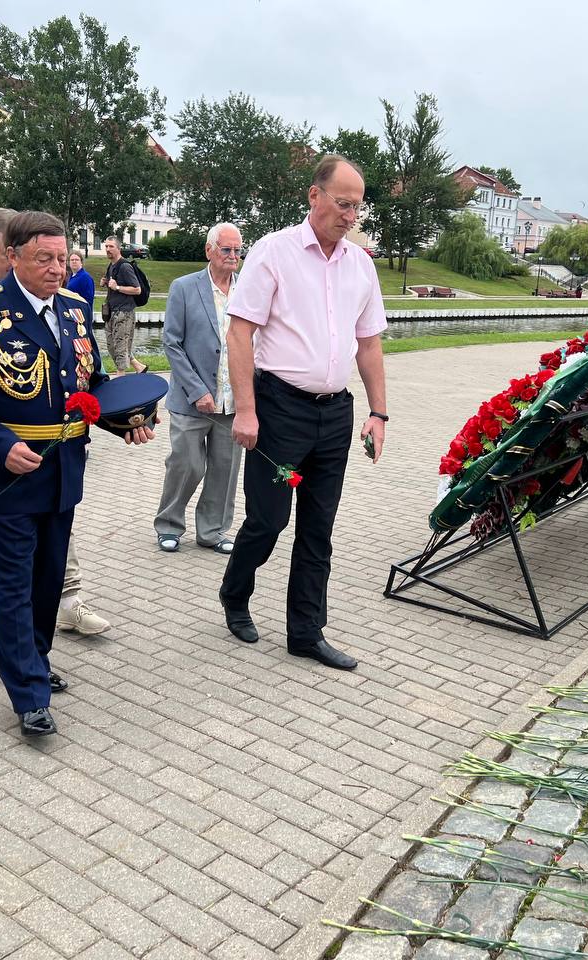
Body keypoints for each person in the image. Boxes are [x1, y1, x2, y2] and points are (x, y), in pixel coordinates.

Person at [0, 210, 153, 737]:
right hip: (8, 474)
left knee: (48, 579)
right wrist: (0, 446)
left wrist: (126, 421)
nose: (57, 269)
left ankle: (34, 659)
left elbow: (88, 385)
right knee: (12, 584)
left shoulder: (75, 309)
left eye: (61, 258)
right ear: (13, 257)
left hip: (62, 470)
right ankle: (28, 692)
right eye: (44, 259)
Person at [218, 154, 388, 672]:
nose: (351, 216)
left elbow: (369, 343)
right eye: (343, 204)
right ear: (314, 196)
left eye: (357, 207)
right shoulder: (274, 252)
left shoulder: (360, 265)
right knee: (269, 520)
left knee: (318, 528)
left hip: (334, 418)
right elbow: (240, 333)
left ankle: (306, 632)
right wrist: (245, 412)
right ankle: (234, 593)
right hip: (280, 415)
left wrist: (379, 413)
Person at [154, 222, 244, 555]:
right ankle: (168, 525)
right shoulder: (184, 287)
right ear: (209, 250)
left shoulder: (248, 289)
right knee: (186, 464)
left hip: (232, 400)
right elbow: (172, 342)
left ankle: (213, 531)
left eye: (238, 250)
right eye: (226, 249)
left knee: (225, 469)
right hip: (192, 400)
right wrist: (197, 391)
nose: (233, 256)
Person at [102, 237, 146, 374]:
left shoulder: (125, 267)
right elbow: (113, 285)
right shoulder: (111, 266)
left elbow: (137, 289)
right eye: (106, 246)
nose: (108, 249)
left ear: (118, 248)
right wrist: (106, 283)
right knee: (112, 346)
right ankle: (139, 367)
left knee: (120, 348)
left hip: (124, 313)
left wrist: (117, 287)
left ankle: (121, 378)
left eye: (111, 246)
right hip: (111, 312)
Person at [65, 250, 95, 318]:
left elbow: (88, 300)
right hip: (71, 313)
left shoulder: (85, 277)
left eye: (77, 260)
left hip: (81, 316)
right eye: (72, 260)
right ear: (69, 263)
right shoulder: (72, 276)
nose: (74, 261)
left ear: (81, 262)